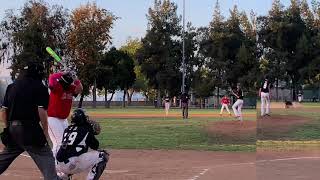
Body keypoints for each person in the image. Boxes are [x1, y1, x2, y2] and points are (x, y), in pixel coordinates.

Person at [0, 62, 60, 179]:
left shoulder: (11, 87)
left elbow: (3, 111)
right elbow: (41, 111)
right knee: (46, 156)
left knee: (5, 158)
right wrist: (45, 132)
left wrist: (7, 129)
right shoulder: (40, 87)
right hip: (30, 129)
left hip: (13, 128)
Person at [56, 108, 109, 180]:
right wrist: (90, 130)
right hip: (71, 165)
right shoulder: (85, 130)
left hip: (59, 165)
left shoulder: (67, 129)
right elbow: (95, 145)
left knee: (72, 153)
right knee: (103, 156)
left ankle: (63, 177)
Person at [47, 71, 83, 159]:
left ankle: (61, 165)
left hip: (63, 119)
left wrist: (76, 79)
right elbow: (51, 77)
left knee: (66, 142)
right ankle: (52, 166)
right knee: (59, 143)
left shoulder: (70, 88)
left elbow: (80, 89)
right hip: (52, 119)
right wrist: (63, 72)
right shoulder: (56, 87)